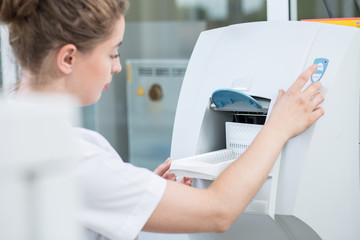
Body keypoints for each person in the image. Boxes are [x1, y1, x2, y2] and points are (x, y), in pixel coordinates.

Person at [0, 0, 325, 240]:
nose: (117, 66)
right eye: (112, 52)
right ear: (69, 58)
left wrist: (140, 195)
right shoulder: (71, 157)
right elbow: (219, 210)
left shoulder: (15, 129)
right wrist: (278, 127)